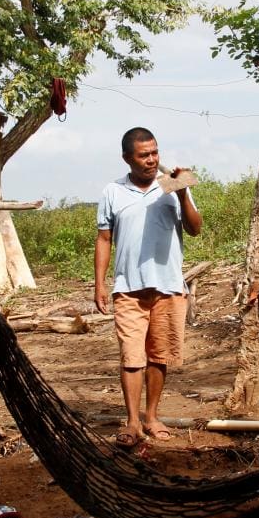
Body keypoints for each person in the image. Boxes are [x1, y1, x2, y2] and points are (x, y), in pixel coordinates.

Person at [95, 127, 202, 448]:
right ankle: (132, 422)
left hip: (168, 286)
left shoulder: (172, 185)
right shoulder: (112, 191)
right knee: (132, 357)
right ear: (127, 158)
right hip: (128, 288)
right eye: (144, 155)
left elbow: (195, 228)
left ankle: (152, 417)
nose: (151, 160)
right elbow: (104, 239)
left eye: (155, 152)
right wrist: (99, 284)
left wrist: (182, 193)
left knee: (159, 356)